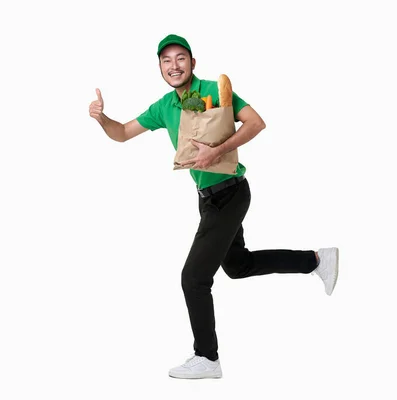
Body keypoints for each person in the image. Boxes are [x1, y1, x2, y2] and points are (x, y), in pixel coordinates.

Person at [88, 34, 339, 379]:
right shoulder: (164, 106)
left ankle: (207, 357)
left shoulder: (214, 91)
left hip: (231, 192)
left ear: (193, 63)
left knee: (193, 277)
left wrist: (217, 151)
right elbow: (123, 132)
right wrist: (102, 118)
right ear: (160, 68)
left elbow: (256, 122)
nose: (174, 66)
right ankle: (316, 260)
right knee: (238, 265)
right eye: (166, 61)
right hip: (208, 199)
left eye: (181, 59)